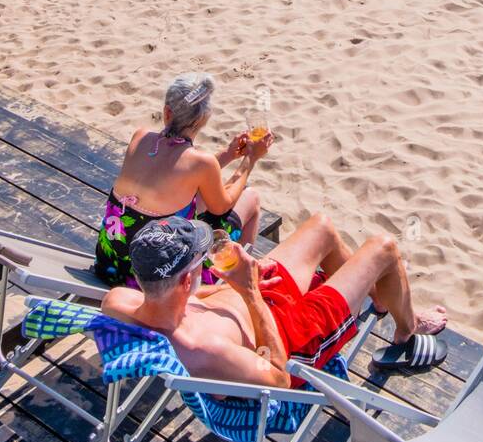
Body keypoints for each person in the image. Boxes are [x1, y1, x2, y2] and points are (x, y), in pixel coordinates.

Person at [101, 211, 449, 384]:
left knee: (322, 226)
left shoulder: (119, 302)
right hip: (293, 334)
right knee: (384, 248)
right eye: (199, 260)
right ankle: (407, 327)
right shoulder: (205, 351)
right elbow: (279, 376)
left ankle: (381, 292)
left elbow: (183, 300)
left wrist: (230, 287)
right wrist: (248, 292)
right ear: (184, 280)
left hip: (255, 297)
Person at [95, 72, 271, 287]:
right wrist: (249, 161)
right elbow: (221, 207)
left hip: (111, 265)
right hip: (158, 280)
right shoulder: (202, 163)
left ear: (167, 112)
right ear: (204, 119)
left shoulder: (140, 137)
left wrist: (228, 154)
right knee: (251, 197)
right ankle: (236, 283)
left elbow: (177, 172)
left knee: (199, 196)